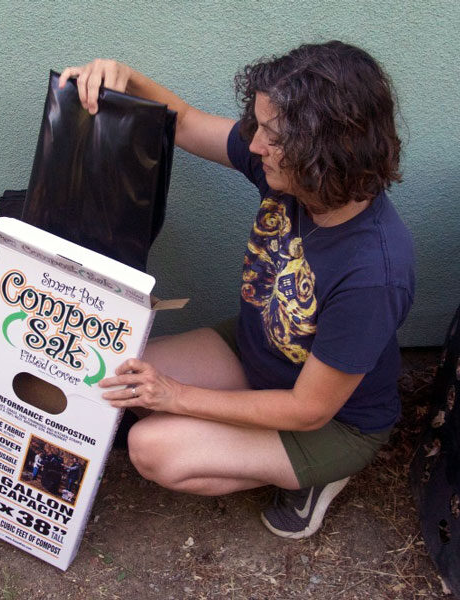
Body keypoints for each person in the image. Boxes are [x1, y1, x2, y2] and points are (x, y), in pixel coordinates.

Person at [59, 41, 415, 539]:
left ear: (325, 150)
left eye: (273, 135)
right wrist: (119, 74)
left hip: (333, 421)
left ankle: (318, 475)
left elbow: (308, 409)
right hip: (261, 351)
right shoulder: (291, 176)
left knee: (152, 447)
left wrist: (177, 397)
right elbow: (179, 120)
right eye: (259, 126)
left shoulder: (374, 271)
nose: (253, 146)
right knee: (115, 372)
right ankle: (241, 429)